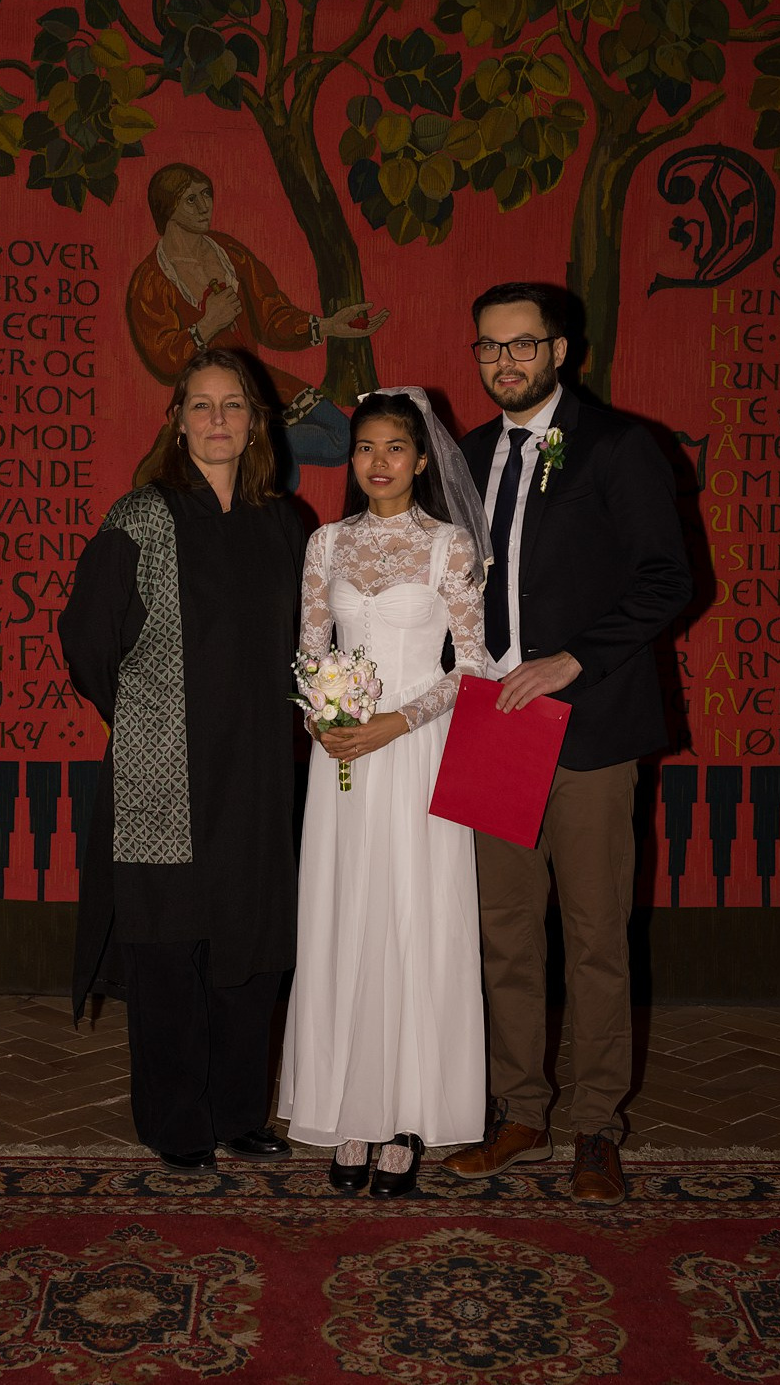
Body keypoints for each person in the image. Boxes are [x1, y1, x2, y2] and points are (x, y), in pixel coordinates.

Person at [441, 282, 693, 1206]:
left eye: (522, 345)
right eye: (489, 347)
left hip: (587, 724)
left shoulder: (620, 447)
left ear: (560, 351)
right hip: (492, 726)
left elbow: (670, 577)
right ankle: (519, 1110)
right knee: (504, 935)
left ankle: (595, 1126)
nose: (505, 361)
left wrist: (570, 662)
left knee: (593, 936)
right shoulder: (464, 456)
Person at [60, 349, 305, 1171]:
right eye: (200, 406)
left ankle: (239, 1112)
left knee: (251, 941)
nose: (217, 420)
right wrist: (146, 716)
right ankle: (177, 1122)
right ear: (176, 420)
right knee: (170, 949)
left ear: (255, 421)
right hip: (166, 772)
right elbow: (87, 640)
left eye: (233, 405)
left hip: (263, 774)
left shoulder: (288, 524)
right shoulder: (140, 516)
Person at [278, 389, 491, 1199]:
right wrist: (320, 719)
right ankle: (351, 1109)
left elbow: (470, 669)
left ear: (422, 457)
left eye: (394, 448)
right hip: (343, 763)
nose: (377, 462)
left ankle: (406, 1113)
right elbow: (307, 652)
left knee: (413, 913)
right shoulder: (325, 544)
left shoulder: (449, 549)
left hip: (415, 749)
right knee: (345, 913)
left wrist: (395, 722)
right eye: (364, 447)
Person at [125, 161, 387, 475]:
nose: (205, 205)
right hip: (212, 399)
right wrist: (208, 323)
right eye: (191, 199)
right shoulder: (151, 279)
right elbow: (162, 359)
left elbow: (271, 317)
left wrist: (329, 325)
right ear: (167, 207)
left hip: (257, 379)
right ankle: (250, 453)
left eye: (206, 194)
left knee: (341, 437)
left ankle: (255, 446)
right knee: (283, 476)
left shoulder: (229, 252)